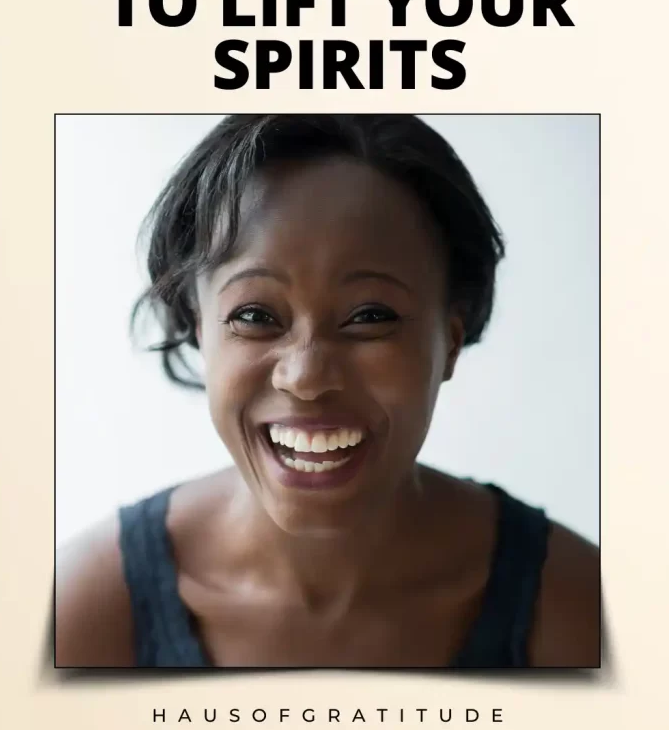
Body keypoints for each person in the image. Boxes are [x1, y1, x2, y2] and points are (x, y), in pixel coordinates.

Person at [55, 114, 600, 668]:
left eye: (370, 315)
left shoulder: (581, 610)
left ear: (450, 342)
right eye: (254, 314)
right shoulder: (87, 608)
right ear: (200, 331)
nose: (307, 377)